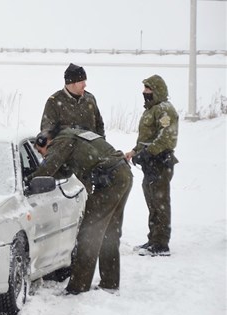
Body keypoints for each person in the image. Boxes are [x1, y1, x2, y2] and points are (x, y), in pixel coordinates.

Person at [29, 128, 133, 294]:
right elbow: (64, 170)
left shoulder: (60, 142)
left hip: (110, 180)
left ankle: (78, 286)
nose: (43, 156)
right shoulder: (70, 136)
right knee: (110, 232)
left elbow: (49, 167)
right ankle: (110, 283)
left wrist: (29, 182)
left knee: (88, 234)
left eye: (42, 152)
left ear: (46, 142)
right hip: (122, 174)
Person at [125, 75, 179, 257]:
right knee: (152, 202)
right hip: (150, 165)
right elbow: (146, 139)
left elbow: (166, 137)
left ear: (156, 90)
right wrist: (135, 152)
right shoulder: (151, 110)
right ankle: (153, 239)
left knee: (160, 203)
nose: (144, 92)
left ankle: (161, 244)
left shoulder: (165, 110)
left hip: (161, 162)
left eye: (148, 89)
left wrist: (148, 154)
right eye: (144, 89)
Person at [40, 63, 105, 137]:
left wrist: (101, 142)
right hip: (67, 147)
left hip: (92, 147)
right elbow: (47, 131)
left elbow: (99, 124)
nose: (85, 85)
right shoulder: (54, 102)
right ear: (71, 83)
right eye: (81, 82)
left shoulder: (90, 99)